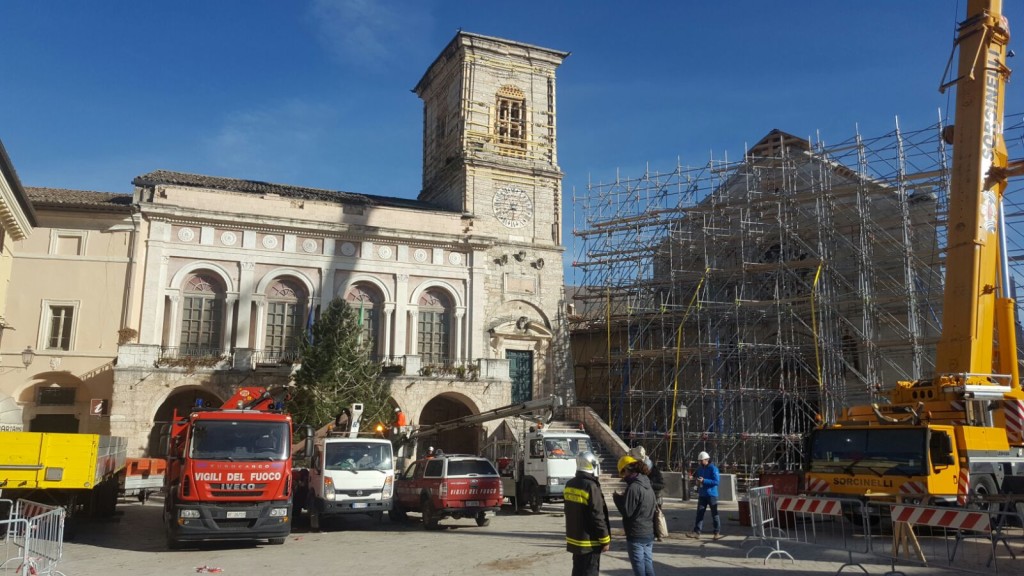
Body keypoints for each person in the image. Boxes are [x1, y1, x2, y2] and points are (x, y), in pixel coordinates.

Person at [564, 452, 611, 576]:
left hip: (575, 540)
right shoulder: (591, 486)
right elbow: (597, 516)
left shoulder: (569, 484)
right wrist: (605, 539)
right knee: (590, 571)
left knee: (578, 571)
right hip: (590, 543)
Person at [612, 454, 656, 576]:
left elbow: (627, 512)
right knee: (648, 564)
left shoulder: (634, 487)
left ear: (627, 469)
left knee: (639, 568)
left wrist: (617, 499)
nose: (623, 476)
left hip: (636, 533)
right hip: (648, 532)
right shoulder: (647, 483)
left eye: (623, 473)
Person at [629, 446, 666, 541]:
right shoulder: (640, 467)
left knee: (655, 517)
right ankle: (654, 534)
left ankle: (658, 534)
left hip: (655, 496)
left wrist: (649, 485)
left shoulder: (652, 469)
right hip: (648, 496)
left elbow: (661, 484)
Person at [687, 451, 722, 540]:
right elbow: (698, 477)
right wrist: (696, 480)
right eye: (699, 461)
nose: (699, 462)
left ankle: (716, 532)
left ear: (707, 460)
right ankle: (697, 532)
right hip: (702, 494)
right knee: (699, 513)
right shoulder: (700, 468)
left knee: (714, 514)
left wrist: (704, 481)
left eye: (701, 461)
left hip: (712, 495)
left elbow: (716, 482)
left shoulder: (713, 469)